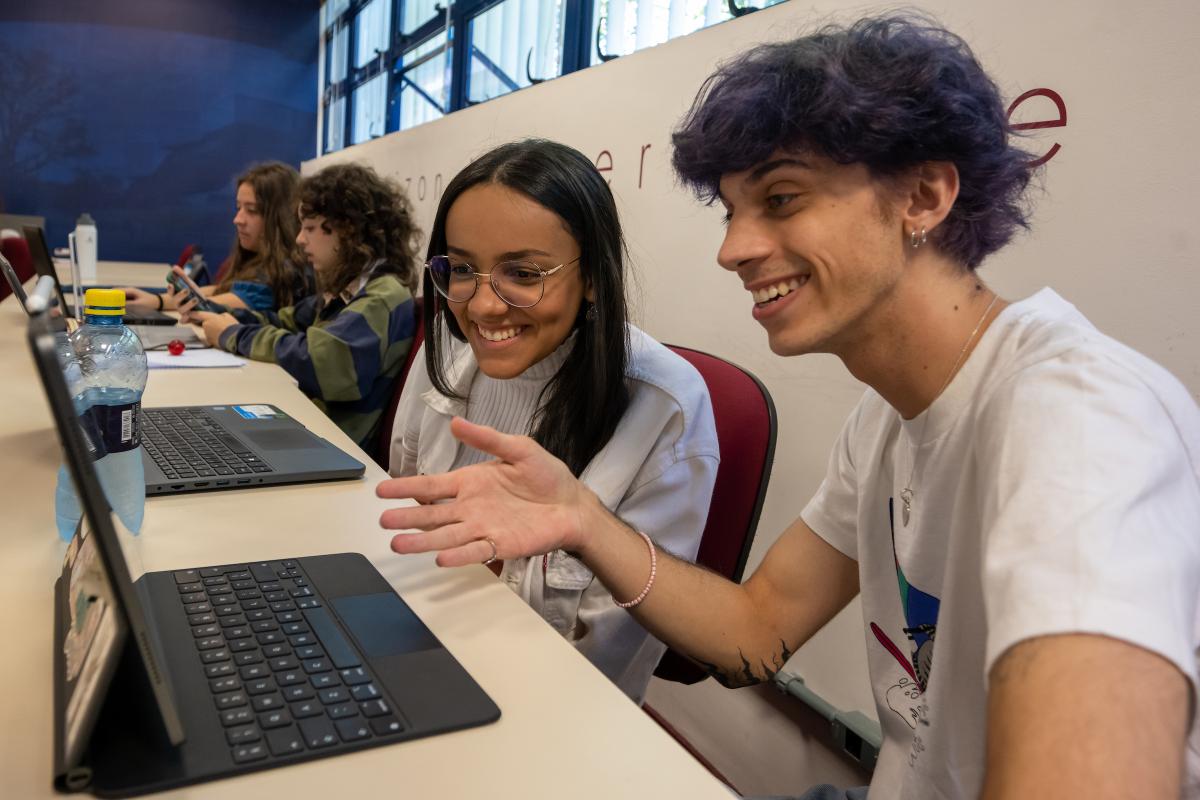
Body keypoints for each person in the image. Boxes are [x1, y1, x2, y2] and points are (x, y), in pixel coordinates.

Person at [375, 15, 1200, 800]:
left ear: (924, 196)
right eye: (732, 210)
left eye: (781, 199)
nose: (733, 248)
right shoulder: (885, 421)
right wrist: (585, 520)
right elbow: (756, 632)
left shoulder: (1080, 418)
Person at [388, 139, 719, 703]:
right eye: (462, 268)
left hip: (540, 702)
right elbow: (405, 504)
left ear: (592, 276)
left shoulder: (664, 406)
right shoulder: (446, 344)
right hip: (416, 634)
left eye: (523, 272)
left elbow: (607, 662)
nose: (484, 306)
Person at [193, 162, 420, 450]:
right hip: (312, 431)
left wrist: (234, 334)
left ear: (348, 230)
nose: (300, 239)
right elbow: (283, 321)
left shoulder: (384, 295)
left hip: (332, 446)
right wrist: (220, 316)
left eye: (310, 228)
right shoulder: (345, 289)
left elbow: (321, 361)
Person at [123, 162, 313, 313]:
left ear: (282, 217)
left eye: (252, 210)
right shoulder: (257, 262)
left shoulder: (286, 272)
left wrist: (160, 302)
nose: (238, 220)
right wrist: (156, 300)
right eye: (238, 208)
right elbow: (223, 290)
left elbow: (229, 301)